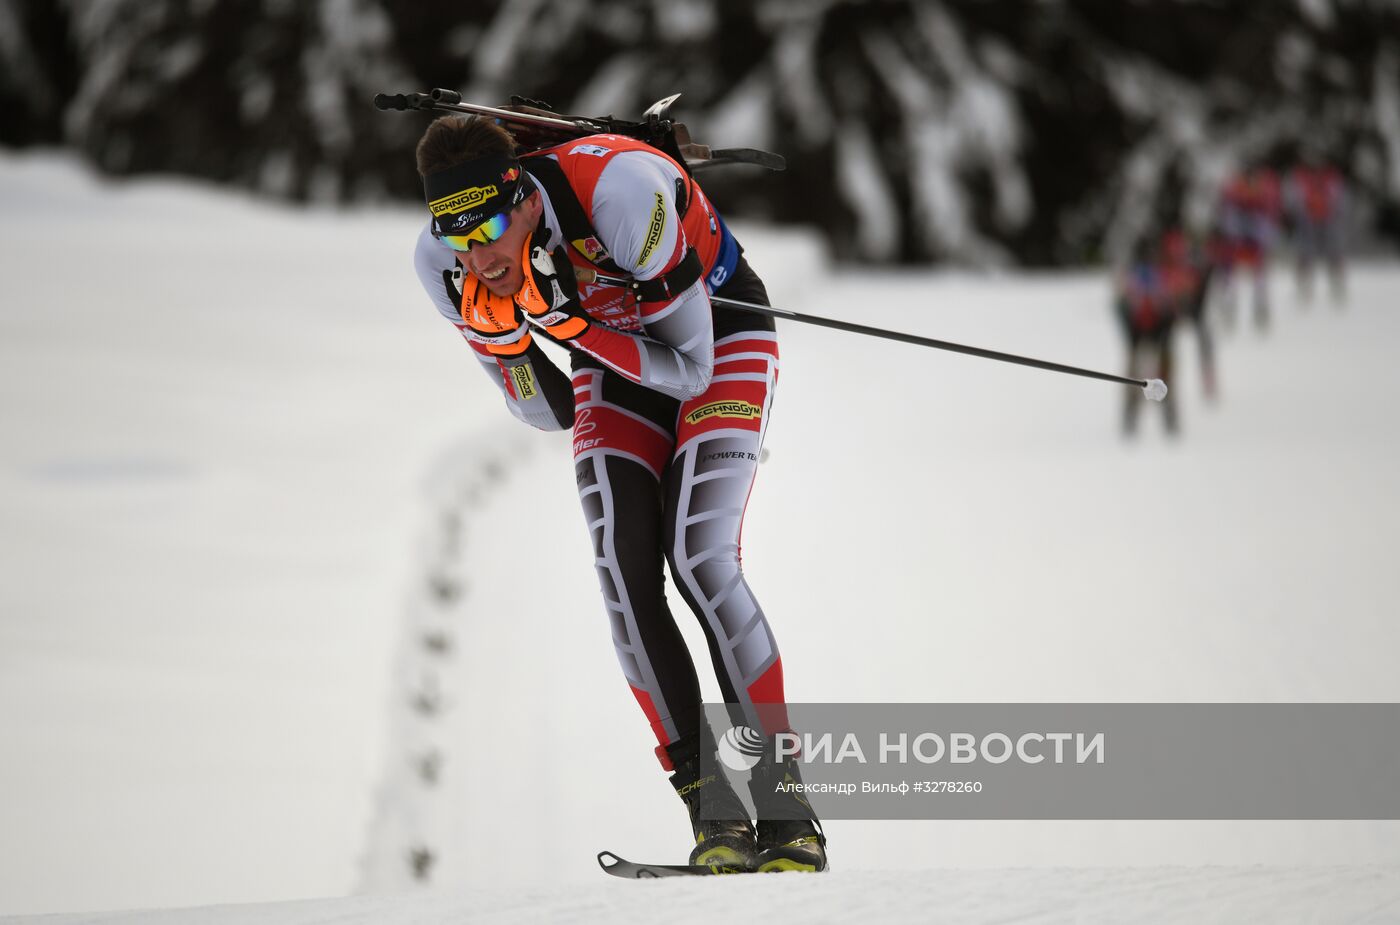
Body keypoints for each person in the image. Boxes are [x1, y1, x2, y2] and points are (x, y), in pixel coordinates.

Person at [410, 114, 826, 873]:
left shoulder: (622, 196)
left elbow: (689, 369)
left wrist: (562, 320)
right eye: (458, 235)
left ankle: (784, 805)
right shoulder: (443, 262)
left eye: (491, 228)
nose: (480, 255)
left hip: (716, 330)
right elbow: (547, 409)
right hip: (612, 358)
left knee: (701, 555)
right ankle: (714, 810)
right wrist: (509, 344)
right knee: (624, 567)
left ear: (526, 199)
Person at [1115, 237, 1179, 437]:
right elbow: (1122, 307)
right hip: (1138, 332)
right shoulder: (1132, 277)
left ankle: (1169, 417)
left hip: (1159, 333)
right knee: (1133, 375)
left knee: (1164, 374)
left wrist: (1165, 334)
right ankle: (1130, 418)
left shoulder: (1161, 277)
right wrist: (1130, 336)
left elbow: (1170, 310)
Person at [1284, 152, 1347, 304]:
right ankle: (1303, 287)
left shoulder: (1331, 176)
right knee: (1304, 253)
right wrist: (1299, 211)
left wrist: (1336, 212)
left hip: (1328, 219)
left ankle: (1337, 285)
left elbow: (1340, 198)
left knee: (1334, 252)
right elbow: (1293, 199)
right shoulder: (1300, 176)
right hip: (1307, 220)